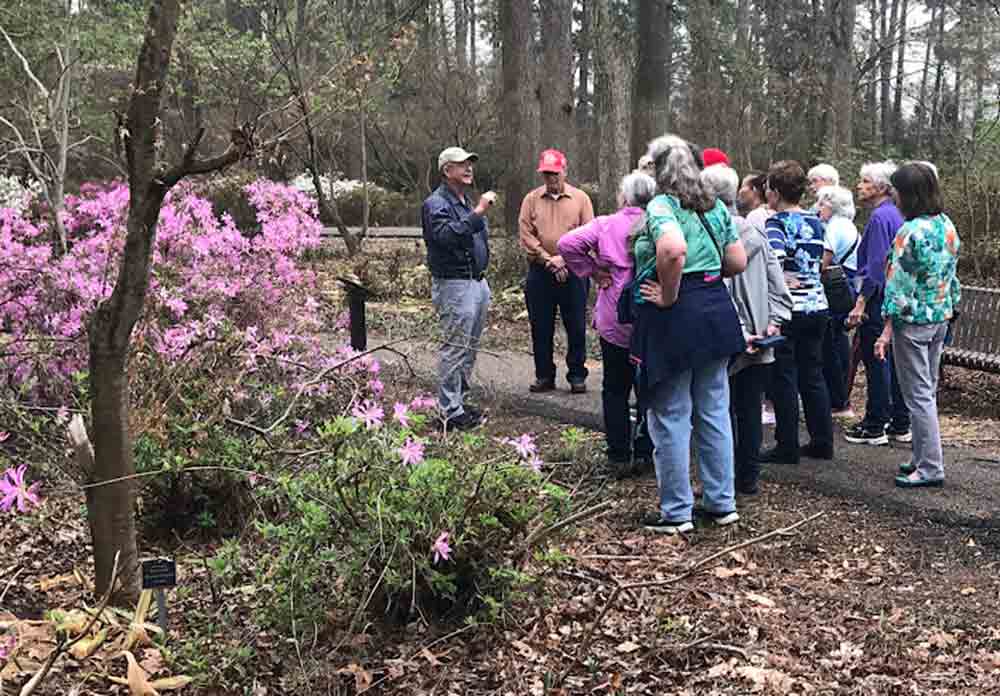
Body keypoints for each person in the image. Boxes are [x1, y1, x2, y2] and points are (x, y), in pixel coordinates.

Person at [630, 135, 747, 534]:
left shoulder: (661, 206)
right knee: (714, 410)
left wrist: (669, 294)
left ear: (659, 170)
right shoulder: (714, 206)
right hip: (716, 311)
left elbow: (673, 251)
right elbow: (736, 260)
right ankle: (721, 503)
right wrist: (706, 279)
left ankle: (677, 512)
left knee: (670, 414)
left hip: (677, 317)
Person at [558, 172, 657, 476]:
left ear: (624, 197)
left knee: (615, 387)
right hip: (651, 314)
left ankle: (617, 455)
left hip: (615, 315)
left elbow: (567, 243)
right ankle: (646, 452)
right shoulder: (660, 224)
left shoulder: (606, 224)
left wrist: (591, 270)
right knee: (651, 390)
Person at [703, 165, 792, 495]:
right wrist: (773, 322)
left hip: (726, 340)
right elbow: (779, 287)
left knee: (719, 412)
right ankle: (748, 478)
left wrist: (741, 332)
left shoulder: (709, 235)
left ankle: (723, 482)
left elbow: (718, 291)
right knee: (750, 409)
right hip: (760, 337)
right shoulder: (758, 233)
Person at [875, 163, 960, 487]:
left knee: (918, 396)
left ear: (908, 195)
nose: (892, 195)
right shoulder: (946, 225)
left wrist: (885, 328)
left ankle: (930, 467)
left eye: (895, 189)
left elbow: (897, 287)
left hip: (912, 323)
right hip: (940, 317)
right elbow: (952, 275)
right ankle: (921, 456)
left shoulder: (908, 233)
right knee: (927, 391)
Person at [758, 160, 834, 464]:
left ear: (775, 192)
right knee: (813, 374)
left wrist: (782, 278)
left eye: (767, 189)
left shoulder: (775, 224)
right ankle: (822, 441)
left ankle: (787, 445)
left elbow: (773, 258)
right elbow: (824, 259)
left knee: (784, 377)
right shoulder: (817, 221)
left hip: (790, 309)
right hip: (818, 306)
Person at [421, 146, 496, 430]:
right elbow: (445, 237)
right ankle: (449, 412)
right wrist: (478, 212)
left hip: (476, 282)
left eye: (470, 164)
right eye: (461, 164)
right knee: (455, 347)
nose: (468, 168)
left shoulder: (463, 201)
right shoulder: (436, 204)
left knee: (469, 347)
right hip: (454, 284)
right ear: (446, 170)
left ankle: (459, 403)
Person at [844, 161, 911, 446]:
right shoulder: (897, 215)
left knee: (876, 361)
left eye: (864, 181)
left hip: (879, 299)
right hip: (895, 298)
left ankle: (875, 424)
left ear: (881, 187)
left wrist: (861, 302)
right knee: (894, 362)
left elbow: (875, 265)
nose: (859, 185)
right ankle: (899, 421)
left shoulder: (879, 219)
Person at [518, 149, 595, 394]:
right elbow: (526, 235)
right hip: (541, 270)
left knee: (575, 325)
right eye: (546, 174)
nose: (550, 178)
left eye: (554, 173)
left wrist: (566, 258)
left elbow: (590, 234)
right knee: (540, 325)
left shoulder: (581, 198)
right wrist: (548, 258)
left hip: (574, 270)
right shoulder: (531, 199)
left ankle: (576, 375)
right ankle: (544, 375)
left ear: (565, 171)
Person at [816, 185, 860, 419]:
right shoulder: (851, 226)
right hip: (848, 286)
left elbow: (823, 262)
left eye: (822, 203)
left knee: (830, 345)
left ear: (832, 206)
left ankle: (838, 400)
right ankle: (841, 398)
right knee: (838, 341)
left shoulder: (834, 227)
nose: (818, 208)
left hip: (834, 289)